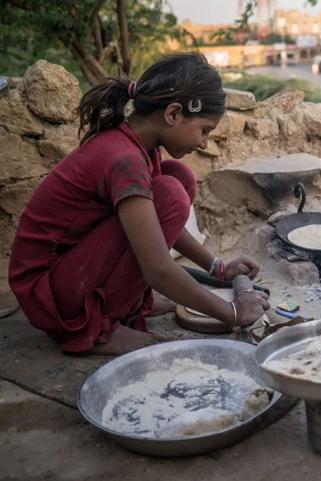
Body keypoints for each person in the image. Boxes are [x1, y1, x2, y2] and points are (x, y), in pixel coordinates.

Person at [8, 53, 270, 355]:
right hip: (49, 293)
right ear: (172, 114)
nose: (204, 143)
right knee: (170, 193)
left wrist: (216, 267)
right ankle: (99, 328)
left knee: (177, 178)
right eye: (204, 130)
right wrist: (234, 312)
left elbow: (150, 226)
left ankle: (127, 303)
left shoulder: (139, 145)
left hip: (69, 272)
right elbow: (157, 268)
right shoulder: (124, 159)